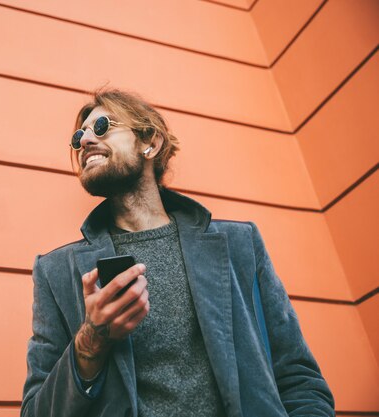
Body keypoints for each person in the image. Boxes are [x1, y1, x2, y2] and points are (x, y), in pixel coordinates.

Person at [21, 89, 335, 417]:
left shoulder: (239, 244)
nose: (85, 141)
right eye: (78, 137)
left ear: (150, 143)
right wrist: (90, 342)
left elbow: (298, 376)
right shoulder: (56, 272)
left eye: (101, 126)